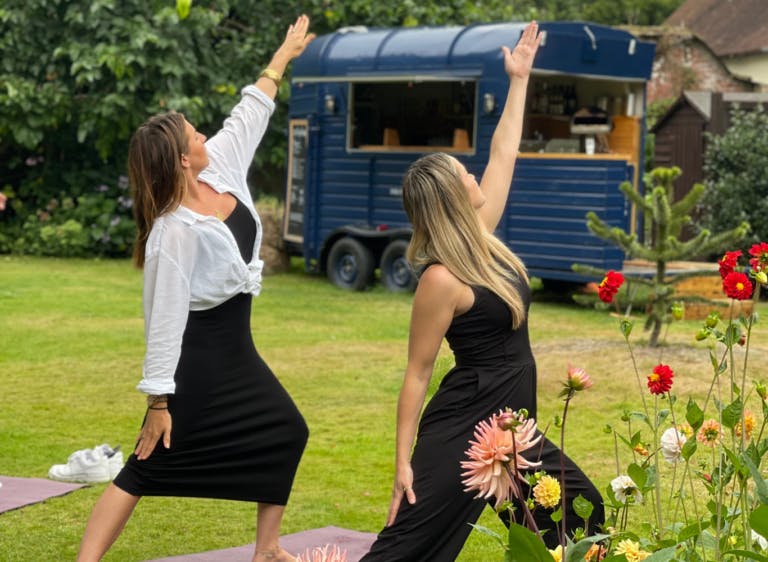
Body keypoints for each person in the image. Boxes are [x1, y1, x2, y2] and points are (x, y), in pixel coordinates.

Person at [360, 22, 604, 561]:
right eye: (463, 173)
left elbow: (504, 153)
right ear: (451, 197)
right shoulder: (441, 278)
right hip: (464, 431)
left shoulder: (482, 241)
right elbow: (418, 372)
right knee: (408, 549)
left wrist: (519, 80)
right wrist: (402, 462)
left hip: (511, 429)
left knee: (578, 516)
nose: (475, 175)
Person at [77, 15, 315, 562]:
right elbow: (163, 319)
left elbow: (249, 112)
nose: (205, 134)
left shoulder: (220, 168)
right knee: (145, 464)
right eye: (194, 134)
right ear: (183, 158)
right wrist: (159, 402)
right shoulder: (173, 232)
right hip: (196, 359)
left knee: (285, 429)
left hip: (236, 349)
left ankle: (267, 549)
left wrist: (282, 56)